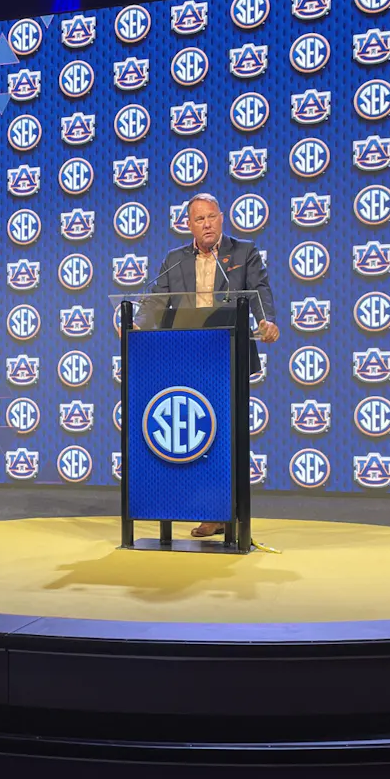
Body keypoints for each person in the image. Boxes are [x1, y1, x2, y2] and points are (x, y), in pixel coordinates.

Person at [147, 193, 278, 539]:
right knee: (197, 436)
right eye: (199, 220)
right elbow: (157, 300)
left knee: (227, 437)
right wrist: (135, 322)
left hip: (229, 354)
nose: (206, 224)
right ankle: (210, 511)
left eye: (211, 217)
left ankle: (230, 511)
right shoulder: (175, 260)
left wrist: (266, 322)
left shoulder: (242, 253)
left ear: (222, 218)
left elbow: (260, 291)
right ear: (188, 225)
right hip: (189, 358)